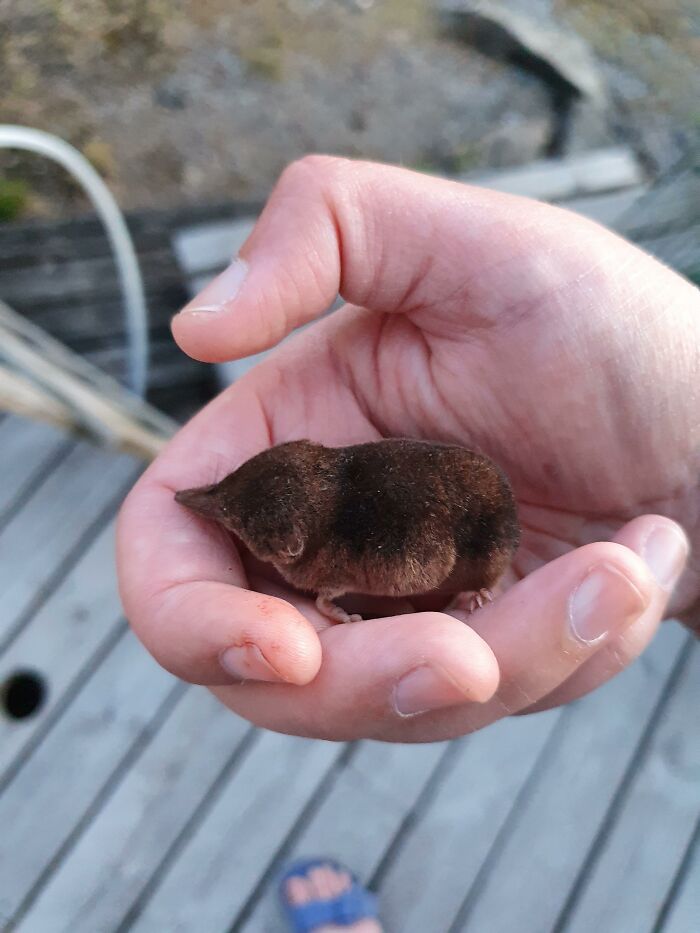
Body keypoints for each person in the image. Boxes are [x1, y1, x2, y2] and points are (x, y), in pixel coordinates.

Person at [117, 156, 699, 747]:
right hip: (468, 511)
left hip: (473, 528)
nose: (209, 505)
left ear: (288, 544)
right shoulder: (322, 487)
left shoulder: (318, 550)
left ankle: (472, 581)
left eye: (237, 517)